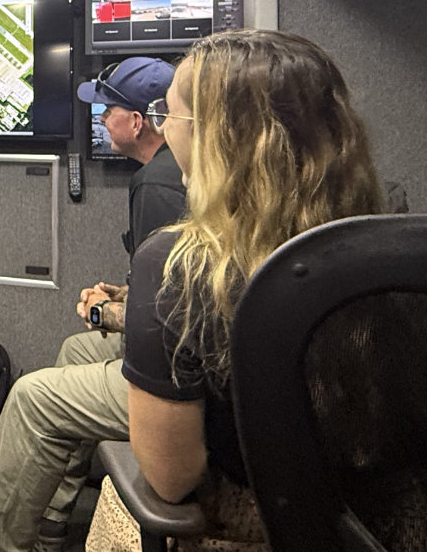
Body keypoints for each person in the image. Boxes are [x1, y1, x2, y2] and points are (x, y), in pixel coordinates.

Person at [103, 29, 383, 549]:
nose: (165, 128)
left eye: (170, 114)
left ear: (213, 137)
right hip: (384, 517)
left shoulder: (176, 265)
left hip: (255, 520)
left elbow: (171, 478)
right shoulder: (386, 249)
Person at [0, 57, 186, 552]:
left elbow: (167, 321)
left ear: (138, 121)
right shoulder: (172, 172)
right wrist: (126, 292)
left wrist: (105, 312)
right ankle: (50, 519)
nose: (100, 120)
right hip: (180, 357)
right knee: (75, 351)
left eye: (107, 111)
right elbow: (178, 285)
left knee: (30, 397)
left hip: (175, 379)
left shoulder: (158, 183)